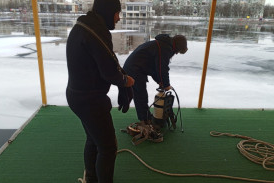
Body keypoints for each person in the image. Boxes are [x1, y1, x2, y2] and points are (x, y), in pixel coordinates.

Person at [66, 0, 135, 182]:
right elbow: (109, 71)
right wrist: (126, 81)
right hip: (90, 101)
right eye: (117, 13)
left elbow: (108, 61)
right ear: (108, 11)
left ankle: (91, 178)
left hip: (77, 96)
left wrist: (121, 79)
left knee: (94, 140)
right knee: (107, 148)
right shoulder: (96, 32)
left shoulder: (84, 26)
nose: (118, 18)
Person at [123, 34, 187, 123]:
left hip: (136, 68)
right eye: (178, 51)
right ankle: (145, 121)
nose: (176, 53)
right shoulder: (164, 48)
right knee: (141, 96)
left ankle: (145, 117)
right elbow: (162, 68)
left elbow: (154, 68)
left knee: (140, 95)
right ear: (177, 46)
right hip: (134, 69)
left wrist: (160, 81)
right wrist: (166, 84)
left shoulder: (162, 45)